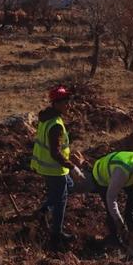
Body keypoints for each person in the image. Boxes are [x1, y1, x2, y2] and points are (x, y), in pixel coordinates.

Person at [30, 85, 84, 252]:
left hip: (46, 166)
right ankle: (56, 234)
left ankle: (45, 210)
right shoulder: (55, 125)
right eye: (65, 102)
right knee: (61, 200)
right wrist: (73, 167)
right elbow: (55, 152)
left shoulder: (47, 119)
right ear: (56, 104)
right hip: (54, 168)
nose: (68, 105)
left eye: (68, 101)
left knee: (67, 186)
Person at [89, 151, 133, 246]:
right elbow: (111, 198)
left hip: (124, 173)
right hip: (101, 175)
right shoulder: (121, 173)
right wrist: (118, 219)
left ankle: (129, 219)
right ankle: (114, 237)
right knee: (110, 211)